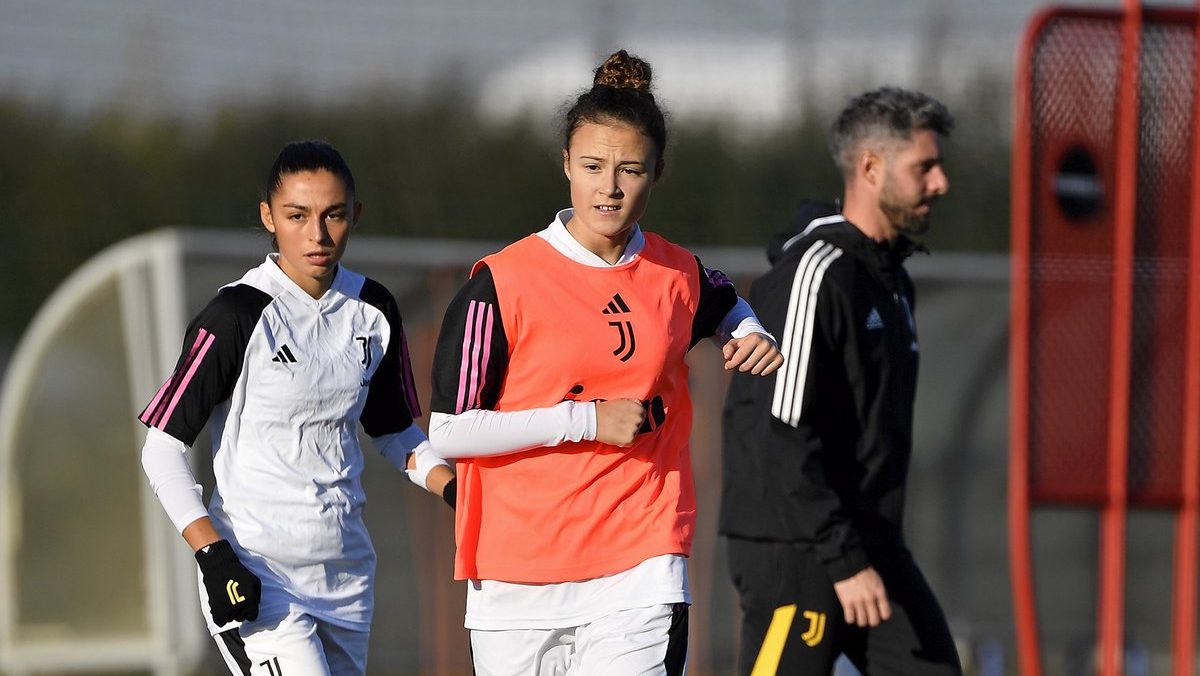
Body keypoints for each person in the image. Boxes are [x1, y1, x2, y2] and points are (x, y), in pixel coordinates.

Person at [427, 49, 783, 676]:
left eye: (630, 170)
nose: (610, 189)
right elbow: (451, 431)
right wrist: (587, 419)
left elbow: (725, 301)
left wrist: (751, 331)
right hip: (517, 576)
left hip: (640, 565)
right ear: (565, 164)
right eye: (592, 166)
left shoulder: (679, 272)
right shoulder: (501, 282)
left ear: (657, 173)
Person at [137, 140, 454, 676]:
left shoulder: (373, 309)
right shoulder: (236, 312)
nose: (318, 234)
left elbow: (395, 430)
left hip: (348, 578)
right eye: (297, 215)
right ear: (268, 217)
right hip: (261, 575)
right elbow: (161, 449)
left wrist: (455, 488)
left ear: (356, 214)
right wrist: (213, 555)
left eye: (333, 215)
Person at [718, 87, 963, 675]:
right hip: (797, 548)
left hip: (870, 542)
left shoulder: (892, 282)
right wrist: (841, 556)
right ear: (871, 168)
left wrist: (861, 551)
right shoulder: (814, 273)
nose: (940, 183)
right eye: (924, 167)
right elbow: (779, 432)